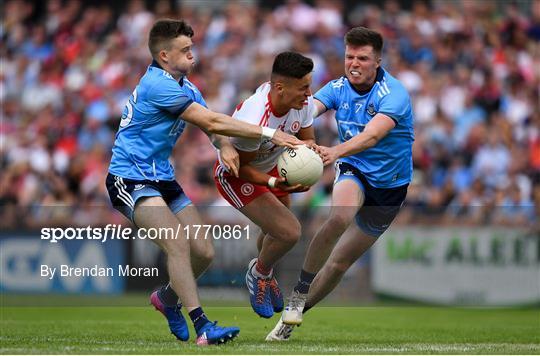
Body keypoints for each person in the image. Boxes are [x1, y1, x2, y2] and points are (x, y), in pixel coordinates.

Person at [105, 19, 302, 346]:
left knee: (205, 252)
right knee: (178, 244)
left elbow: (212, 129)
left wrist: (224, 145)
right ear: (165, 55)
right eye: (185, 50)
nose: (193, 55)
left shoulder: (186, 86)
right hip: (129, 177)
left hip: (162, 179)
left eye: (192, 49)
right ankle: (202, 327)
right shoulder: (158, 85)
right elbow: (211, 119)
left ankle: (167, 299)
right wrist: (269, 132)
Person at [267, 26, 414, 341]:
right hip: (354, 169)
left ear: (377, 62)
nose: (354, 64)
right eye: (350, 56)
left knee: (338, 263)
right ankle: (299, 291)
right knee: (338, 216)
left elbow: (372, 135)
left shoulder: (395, 94)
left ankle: (293, 316)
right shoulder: (337, 87)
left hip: (390, 187)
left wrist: (334, 150)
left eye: (363, 58)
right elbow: (307, 110)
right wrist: (272, 122)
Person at [213, 52, 316, 319]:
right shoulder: (255, 117)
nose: (309, 93)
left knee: (275, 231)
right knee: (289, 232)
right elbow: (243, 167)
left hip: (272, 167)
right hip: (237, 175)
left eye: (309, 85)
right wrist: (273, 182)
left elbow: (307, 143)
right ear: (280, 88)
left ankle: (263, 272)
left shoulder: (303, 103)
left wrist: (308, 167)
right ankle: (259, 274)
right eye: (303, 87)